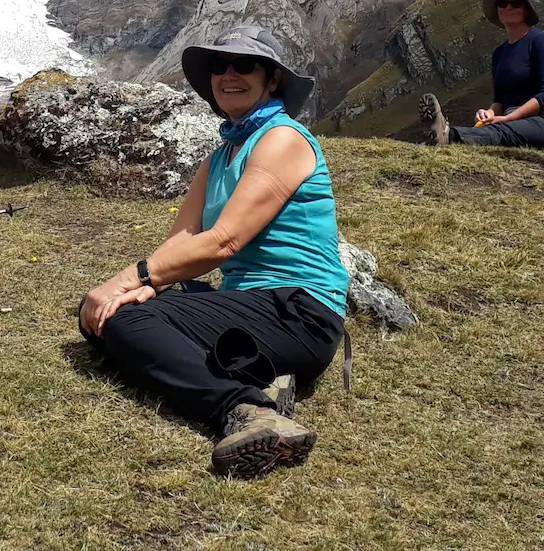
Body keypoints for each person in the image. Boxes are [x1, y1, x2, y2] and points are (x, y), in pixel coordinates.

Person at [79, 24, 347, 480]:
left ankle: (245, 409)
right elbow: (182, 239)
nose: (229, 75)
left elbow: (224, 241)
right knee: (103, 314)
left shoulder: (284, 139)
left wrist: (132, 281)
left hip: (300, 311)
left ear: (272, 79)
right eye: (220, 66)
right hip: (251, 305)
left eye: (244, 65)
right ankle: (257, 378)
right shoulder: (222, 154)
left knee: (126, 317)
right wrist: (148, 285)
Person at [415, 0, 544, 148]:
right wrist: (489, 113)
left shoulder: (540, 40)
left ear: (526, 10)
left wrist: (508, 118)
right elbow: (500, 101)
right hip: (512, 122)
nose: (508, 7)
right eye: (502, 3)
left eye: (515, 3)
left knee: (501, 131)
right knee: (499, 130)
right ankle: (443, 134)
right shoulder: (499, 53)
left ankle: (448, 135)